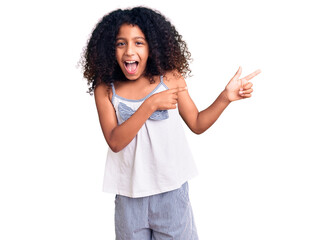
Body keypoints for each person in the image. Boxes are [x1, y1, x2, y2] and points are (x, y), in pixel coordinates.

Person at [81, 6, 260, 240]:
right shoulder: (105, 90)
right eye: (120, 43)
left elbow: (197, 123)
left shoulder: (171, 79)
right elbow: (115, 142)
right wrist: (150, 105)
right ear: (109, 49)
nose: (129, 51)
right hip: (129, 197)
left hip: (171, 192)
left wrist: (225, 97)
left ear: (152, 47)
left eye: (139, 42)